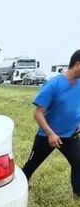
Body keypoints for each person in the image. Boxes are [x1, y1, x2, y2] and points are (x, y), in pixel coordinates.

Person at [22, 50, 80, 197]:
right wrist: (50, 134)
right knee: (31, 165)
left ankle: (78, 195)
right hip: (47, 136)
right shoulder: (54, 84)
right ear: (78, 64)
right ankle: (19, 188)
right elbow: (38, 113)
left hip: (70, 135)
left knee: (78, 162)